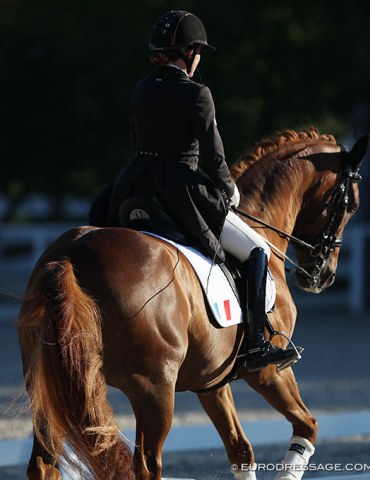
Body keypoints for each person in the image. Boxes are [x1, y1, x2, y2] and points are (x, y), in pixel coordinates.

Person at [90, 10, 297, 371]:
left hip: (135, 182)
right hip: (182, 188)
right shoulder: (197, 93)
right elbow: (215, 157)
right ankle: (256, 345)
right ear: (190, 53)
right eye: (198, 52)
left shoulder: (141, 88)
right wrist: (228, 189)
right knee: (256, 251)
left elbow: (138, 140)